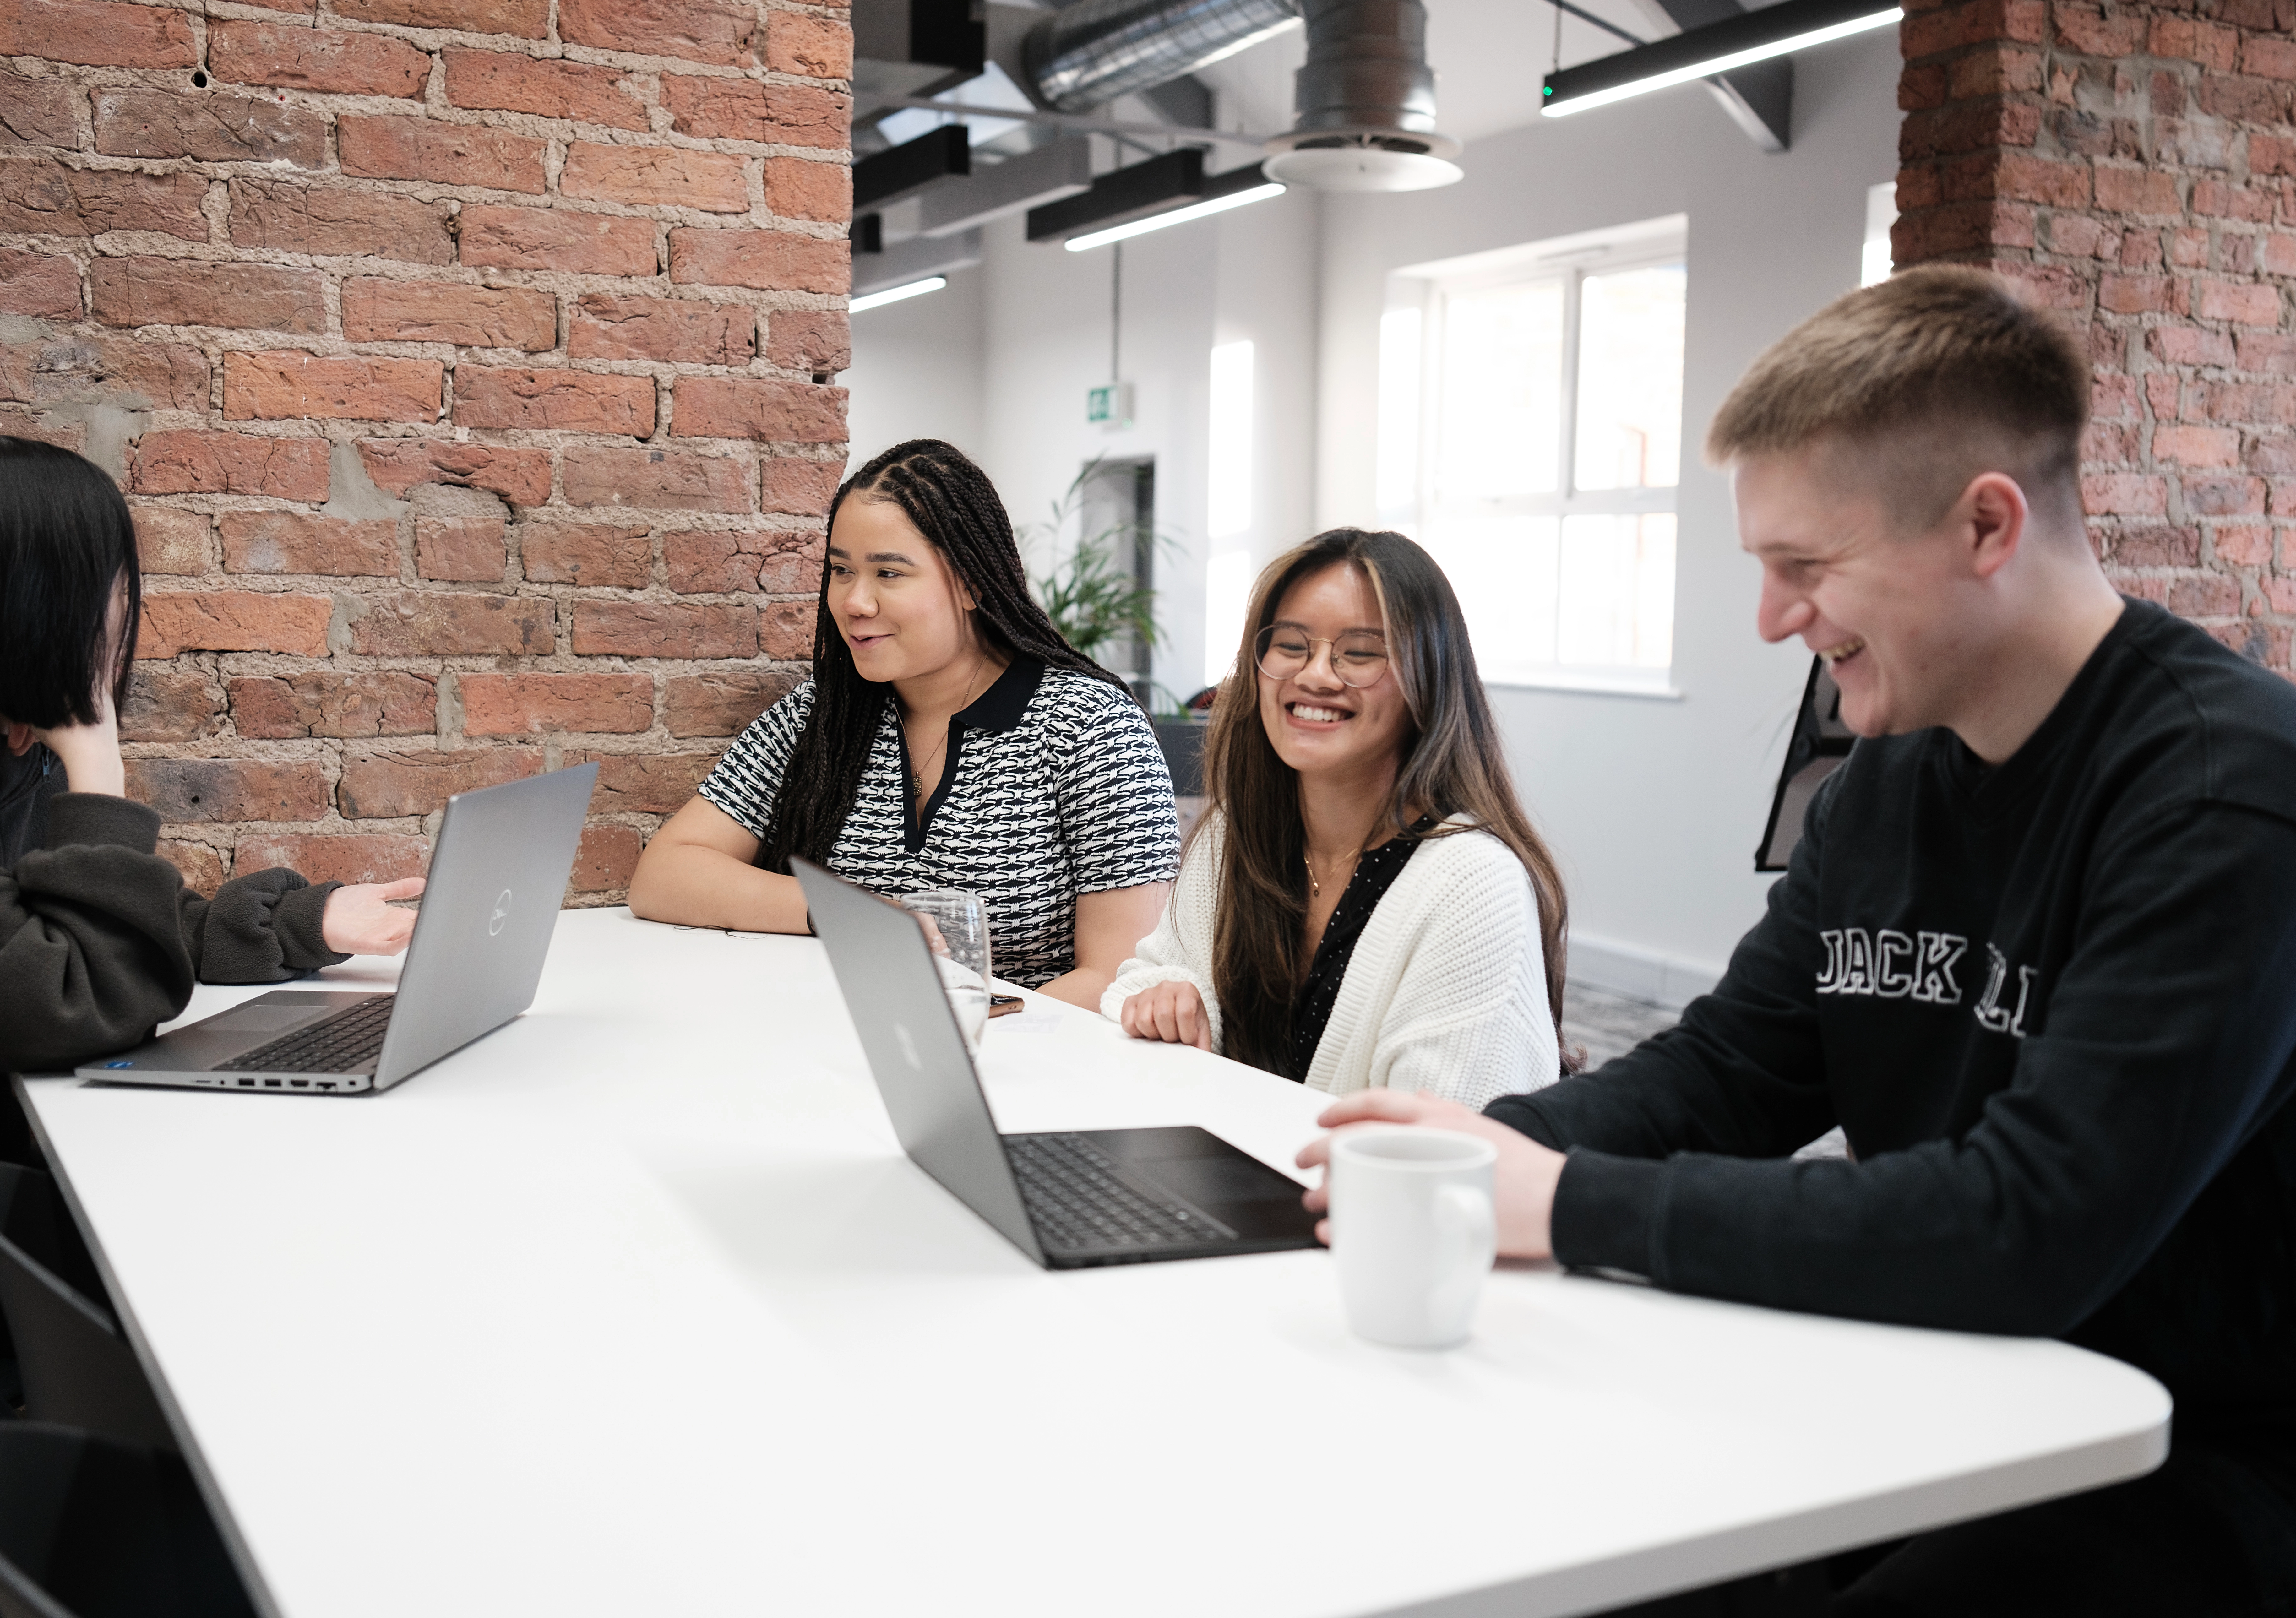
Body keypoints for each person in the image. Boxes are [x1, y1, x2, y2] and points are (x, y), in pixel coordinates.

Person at [1298, 269, 2296, 1614]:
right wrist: (1480, 1148)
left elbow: (2028, 1224)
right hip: (1951, 1377)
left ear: (1986, 525)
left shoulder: (2224, 793)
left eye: (1804, 569)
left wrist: (1564, 1202)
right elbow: (1731, 1068)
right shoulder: (1884, 774)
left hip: (2188, 1449)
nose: (1772, 619)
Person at [0, 434, 424, 1618]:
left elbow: (86, 931)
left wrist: (307, 921)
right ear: (10, 603)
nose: (124, 614)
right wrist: (98, 770)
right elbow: (58, 994)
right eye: (104, 586)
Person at [627, 439, 1178, 1009]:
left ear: (971, 583)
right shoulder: (825, 713)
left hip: (1023, 1052)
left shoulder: (1093, 728)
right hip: (837, 1037)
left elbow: (1119, 974)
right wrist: (853, 913)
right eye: (842, 570)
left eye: (888, 573)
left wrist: (963, 1030)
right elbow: (664, 874)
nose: (855, 602)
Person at [1103, 528, 1569, 1109]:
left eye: (1361, 653)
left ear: (1428, 678)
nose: (1317, 675)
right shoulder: (1234, 834)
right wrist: (1170, 1000)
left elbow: (1442, 1139)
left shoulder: (1475, 885)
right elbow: (1149, 975)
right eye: (1291, 645)